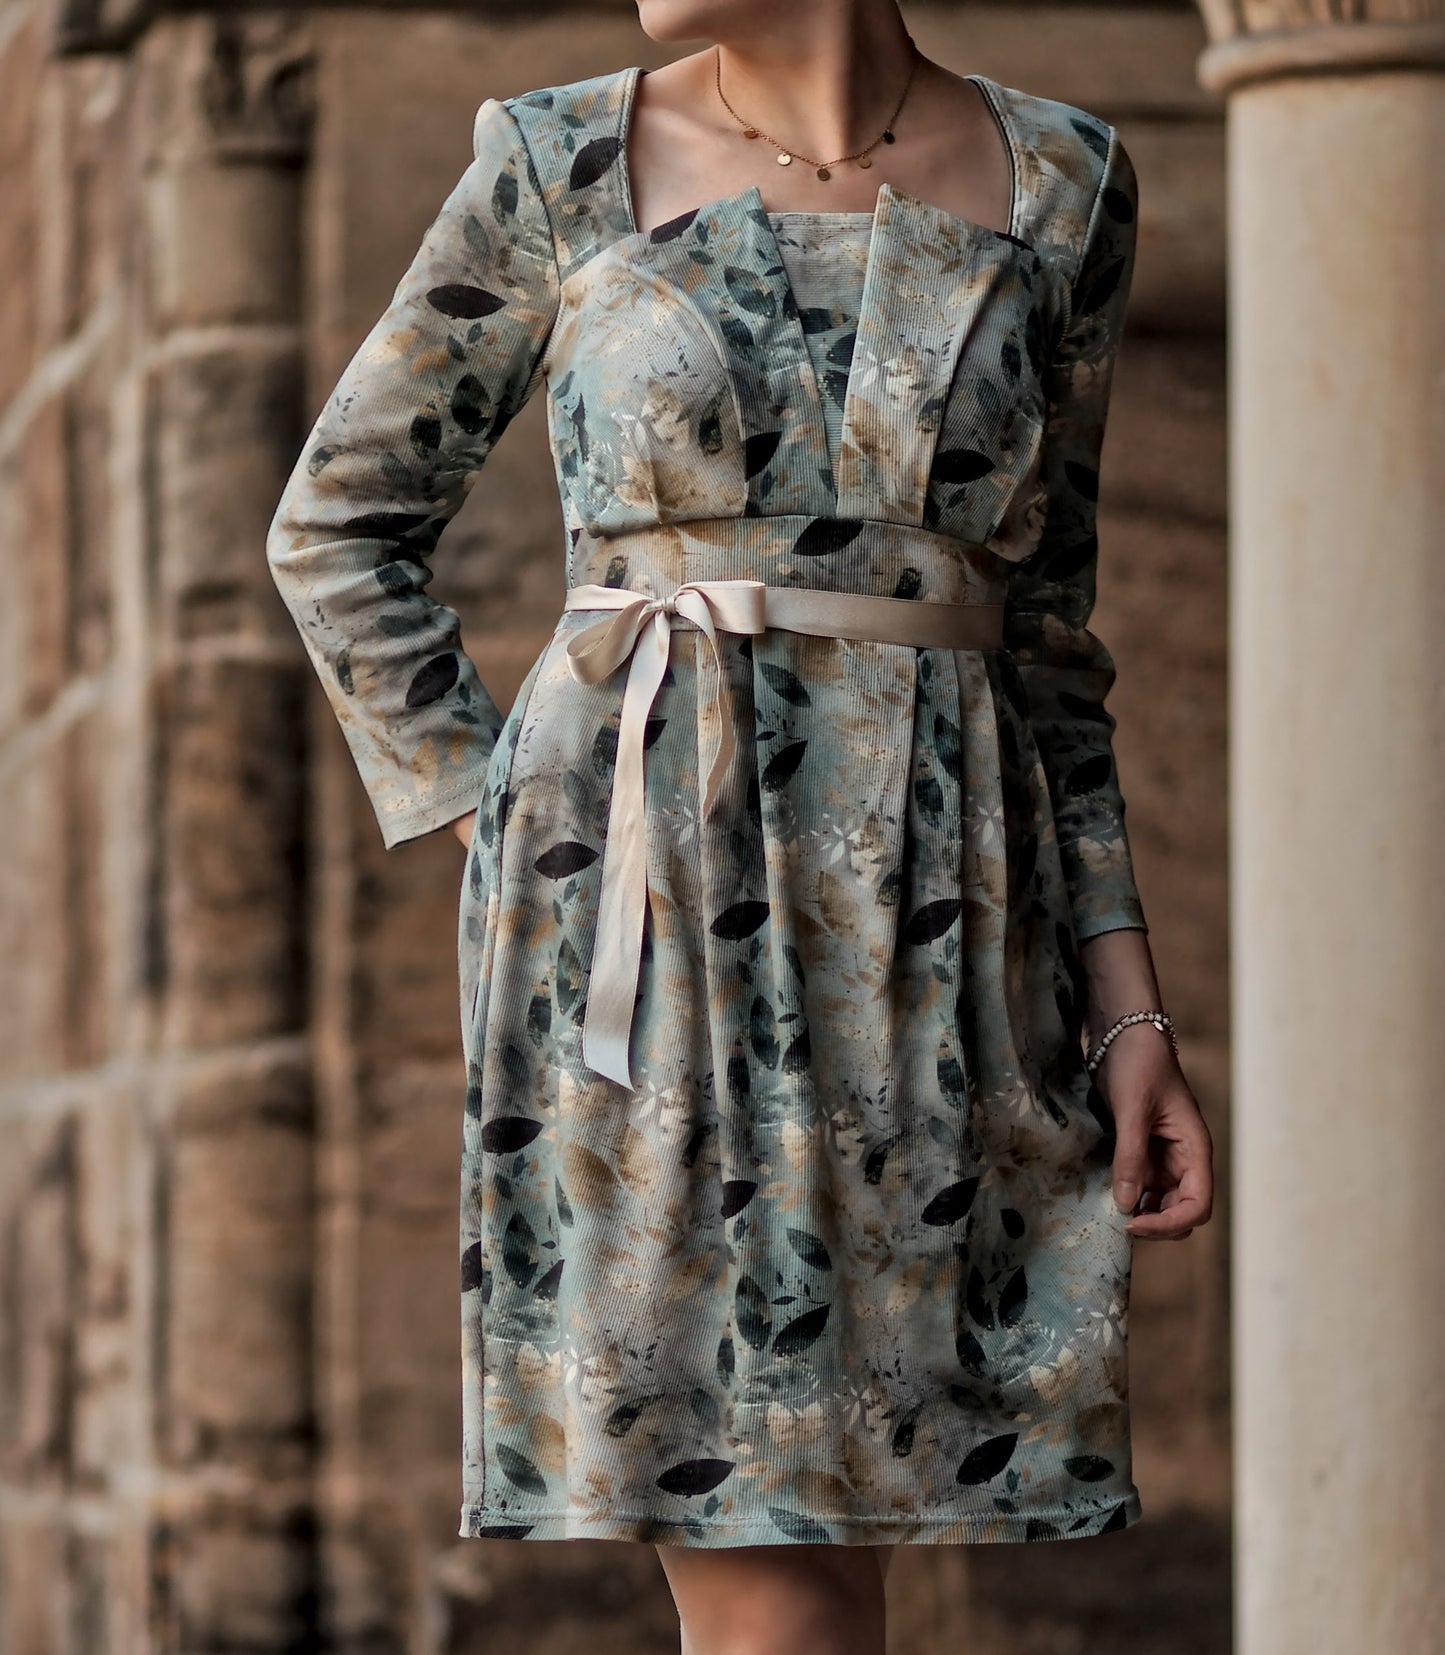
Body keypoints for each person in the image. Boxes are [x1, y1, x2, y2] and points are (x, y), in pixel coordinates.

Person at [266, 2, 1214, 1649]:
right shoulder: (554, 162)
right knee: (767, 1590)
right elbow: (338, 528)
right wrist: (524, 836)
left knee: (845, 1571)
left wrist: (1129, 1013)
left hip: (943, 951)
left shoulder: (1066, 180)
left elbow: (1051, 649)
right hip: (654, 948)